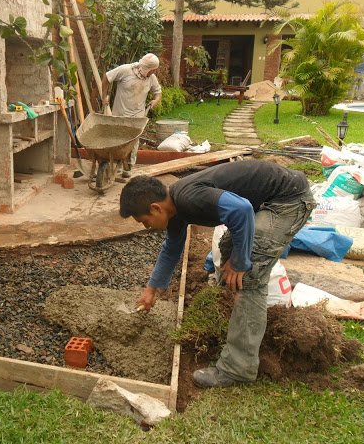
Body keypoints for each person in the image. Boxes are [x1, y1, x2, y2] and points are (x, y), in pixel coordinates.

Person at [119, 160, 315, 388]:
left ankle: (238, 369)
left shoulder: (189, 198)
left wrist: (241, 263)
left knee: (249, 274)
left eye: (144, 221)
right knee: (229, 249)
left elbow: (242, 209)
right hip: (271, 198)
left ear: (156, 208)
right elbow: (171, 250)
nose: (146, 227)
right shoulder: (175, 207)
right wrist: (151, 290)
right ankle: (238, 325)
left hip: (287, 200)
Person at [102, 53, 162, 178]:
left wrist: (155, 101)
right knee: (117, 141)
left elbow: (158, 93)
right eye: (152, 70)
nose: (153, 72)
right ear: (146, 68)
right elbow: (107, 77)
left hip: (137, 118)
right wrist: (104, 96)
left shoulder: (151, 78)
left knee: (133, 143)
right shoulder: (125, 70)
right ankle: (115, 164)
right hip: (119, 116)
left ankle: (128, 167)